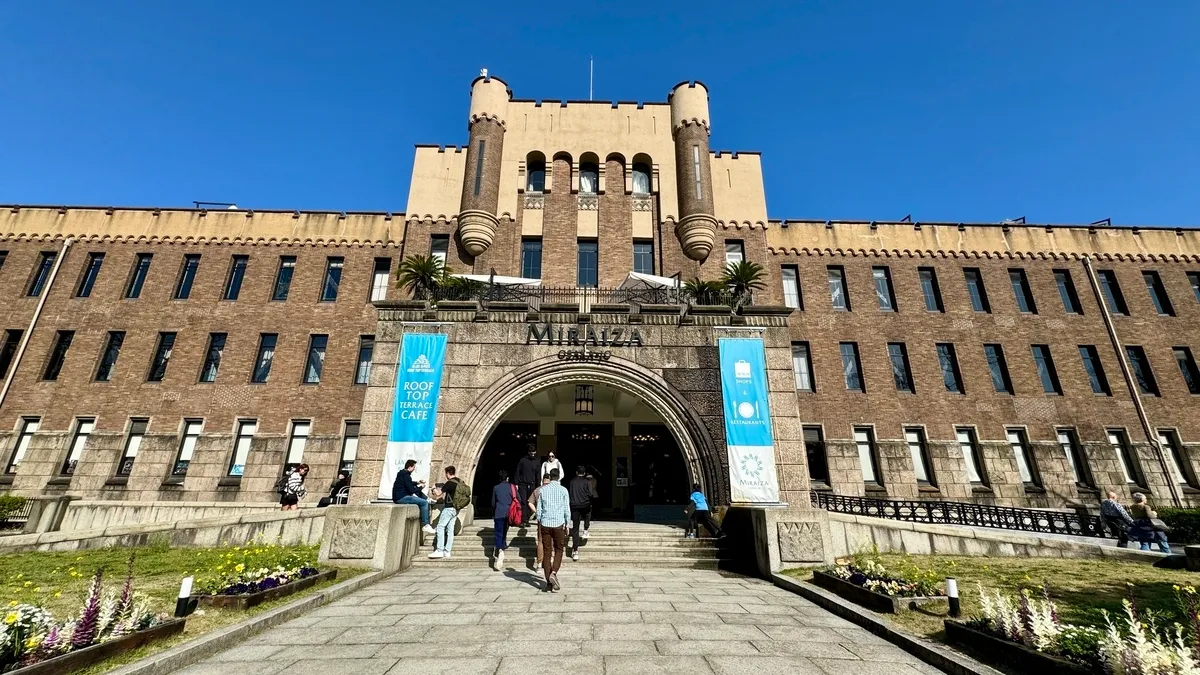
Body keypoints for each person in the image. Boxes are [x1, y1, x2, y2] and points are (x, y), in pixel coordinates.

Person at [535, 468, 571, 592]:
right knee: (559, 549)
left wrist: (539, 522)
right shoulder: (563, 490)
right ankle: (553, 573)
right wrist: (567, 524)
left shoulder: (543, 490)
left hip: (545, 524)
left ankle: (548, 584)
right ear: (559, 477)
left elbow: (539, 510)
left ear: (550, 477)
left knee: (547, 552)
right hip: (558, 524)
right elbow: (567, 509)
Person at [428, 466, 468, 559]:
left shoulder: (449, 483)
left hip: (449, 508)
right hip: (456, 509)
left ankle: (439, 550)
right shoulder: (459, 481)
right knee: (450, 530)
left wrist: (433, 488)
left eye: (445, 473)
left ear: (447, 473)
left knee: (440, 527)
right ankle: (447, 551)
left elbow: (438, 494)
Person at [393, 459, 437, 535]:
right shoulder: (406, 475)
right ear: (410, 467)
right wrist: (421, 487)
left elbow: (408, 483)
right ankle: (425, 524)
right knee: (424, 503)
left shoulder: (402, 473)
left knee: (418, 491)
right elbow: (411, 490)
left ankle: (428, 499)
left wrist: (417, 482)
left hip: (398, 497)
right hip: (401, 498)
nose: (414, 469)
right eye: (414, 467)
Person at [568, 465, 598, 561]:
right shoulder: (587, 482)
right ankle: (586, 529)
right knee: (588, 513)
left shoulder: (572, 482)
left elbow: (570, 493)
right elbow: (590, 494)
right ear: (584, 473)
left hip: (575, 506)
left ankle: (575, 551)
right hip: (585, 505)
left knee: (575, 529)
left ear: (577, 472)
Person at [491, 469, 516, 570]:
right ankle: (503, 544)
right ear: (507, 478)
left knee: (498, 532)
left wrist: (493, 512)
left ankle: (500, 549)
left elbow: (493, 503)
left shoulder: (496, 488)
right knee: (505, 530)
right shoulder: (512, 487)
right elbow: (517, 498)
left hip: (499, 512)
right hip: (509, 512)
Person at [529, 473, 551, 571]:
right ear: (550, 480)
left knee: (540, 541)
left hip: (541, 519)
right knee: (551, 540)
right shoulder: (553, 490)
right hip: (553, 518)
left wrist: (536, 512)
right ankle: (549, 561)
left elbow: (530, 502)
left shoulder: (537, 490)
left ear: (542, 480)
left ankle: (539, 563)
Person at [515, 445, 541, 523]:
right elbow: (518, 472)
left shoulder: (537, 461)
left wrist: (538, 486)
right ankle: (523, 520)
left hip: (532, 484)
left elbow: (538, 474)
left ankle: (527, 518)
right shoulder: (523, 460)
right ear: (528, 452)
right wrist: (516, 483)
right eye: (531, 453)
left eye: (534, 452)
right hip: (523, 484)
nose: (532, 454)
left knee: (530, 502)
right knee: (523, 502)